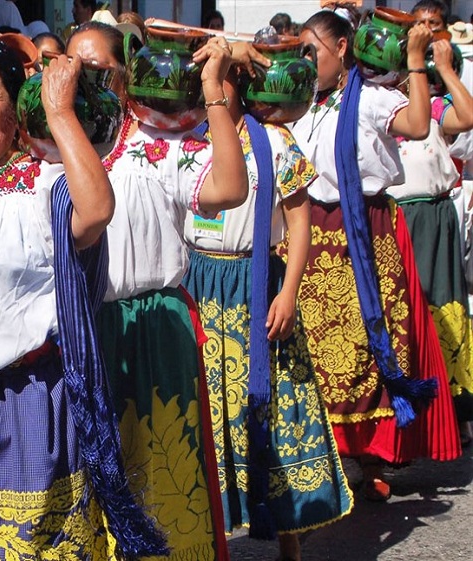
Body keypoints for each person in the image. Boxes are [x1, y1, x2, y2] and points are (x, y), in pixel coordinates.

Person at [0, 38, 164, 559]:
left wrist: (60, 112)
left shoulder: (43, 186)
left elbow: (95, 211)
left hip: (23, 406)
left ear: (18, 110)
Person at [67, 21, 248, 560]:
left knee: (160, 469)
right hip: (80, 331)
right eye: (72, 71)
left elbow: (229, 188)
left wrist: (214, 92)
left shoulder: (155, 143)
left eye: (97, 71)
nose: (84, 83)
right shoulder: (48, 145)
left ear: (125, 77)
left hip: (151, 327)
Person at [182, 65, 352, 561]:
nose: (211, 90)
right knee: (207, 413)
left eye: (223, 81)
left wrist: (290, 292)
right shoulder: (184, 138)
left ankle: (289, 539)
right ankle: (212, 534)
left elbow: (301, 224)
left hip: (256, 285)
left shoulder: (274, 142)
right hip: (200, 282)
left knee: (271, 407)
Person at [292, 10, 461, 502]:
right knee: (316, 348)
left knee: (371, 343)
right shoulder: (302, 103)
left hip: (365, 230)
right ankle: (330, 452)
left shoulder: (369, 98)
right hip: (310, 230)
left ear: (342, 49)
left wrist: (414, 61)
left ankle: (372, 451)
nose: (305, 61)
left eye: (312, 51)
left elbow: (414, 123)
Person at [387, 37, 473, 446]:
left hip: (434, 221)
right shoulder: (383, 108)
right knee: (401, 317)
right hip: (393, 220)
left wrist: (447, 71)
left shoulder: (436, 108)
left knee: (439, 307)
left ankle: (453, 410)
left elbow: (469, 116)